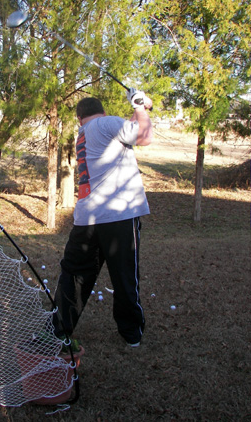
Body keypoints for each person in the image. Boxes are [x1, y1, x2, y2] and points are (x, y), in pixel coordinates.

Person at [53, 88, 153, 347]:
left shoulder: (84, 133)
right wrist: (139, 106)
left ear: (79, 118)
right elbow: (144, 136)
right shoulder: (107, 123)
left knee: (74, 275)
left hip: (87, 219)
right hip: (118, 215)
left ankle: (59, 330)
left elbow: (133, 127)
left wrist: (141, 108)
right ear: (103, 112)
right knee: (124, 276)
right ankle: (131, 334)